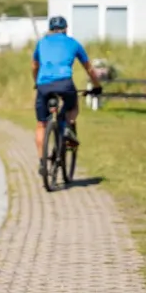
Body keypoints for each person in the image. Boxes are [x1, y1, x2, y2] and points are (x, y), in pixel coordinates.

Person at [31, 15, 103, 175]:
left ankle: (42, 163)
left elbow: (34, 66)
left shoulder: (41, 43)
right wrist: (97, 86)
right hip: (65, 83)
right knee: (72, 105)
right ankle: (67, 126)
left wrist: (37, 82)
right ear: (66, 29)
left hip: (43, 85)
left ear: (50, 29)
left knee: (41, 124)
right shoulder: (73, 43)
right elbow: (89, 68)